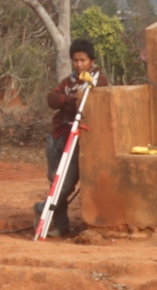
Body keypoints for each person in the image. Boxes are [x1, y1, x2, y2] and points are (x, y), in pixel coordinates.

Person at [35, 39, 110, 237]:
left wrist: (69, 101)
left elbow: (91, 102)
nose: (78, 64)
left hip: (78, 139)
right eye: (75, 60)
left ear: (92, 61)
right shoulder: (68, 81)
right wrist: (69, 99)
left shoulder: (98, 80)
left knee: (66, 183)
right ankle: (60, 226)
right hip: (58, 135)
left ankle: (42, 208)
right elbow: (52, 99)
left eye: (83, 60)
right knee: (55, 181)